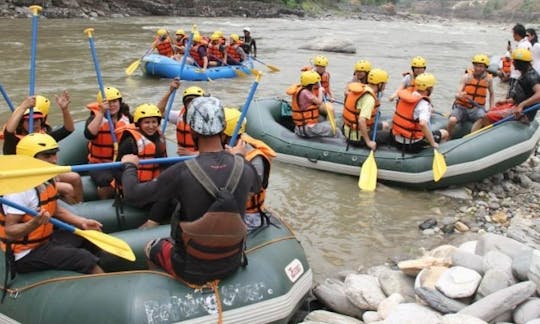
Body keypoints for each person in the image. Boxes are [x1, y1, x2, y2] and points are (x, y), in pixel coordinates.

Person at [120, 96, 261, 285]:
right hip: (232, 261)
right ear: (222, 127)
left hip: (191, 268)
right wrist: (240, 158)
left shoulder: (181, 171)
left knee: (151, 248)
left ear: (192, 129)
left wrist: (129, 167)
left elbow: (133, 194)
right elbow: (256, 188)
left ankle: (164, 289)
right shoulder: (245, 167)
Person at [0, 133, 104, 278]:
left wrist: (82, 222)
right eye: (47, 156)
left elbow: (55, 209)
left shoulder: (47, 179)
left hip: (44, 241)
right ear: (30, 160)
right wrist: (33, 224)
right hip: (24, 254)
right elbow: (10, 231)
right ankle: (102, 283)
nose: (54, 160)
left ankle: (95, 272)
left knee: (89, 238)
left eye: (54, 155)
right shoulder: (20, 191)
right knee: (82, 258)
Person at [3, 93, 83, 204]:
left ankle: (80, 205)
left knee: (75, 177)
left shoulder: (43, 137)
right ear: (22, 123)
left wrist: (64, 110)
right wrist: (23, 107)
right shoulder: (14, 141)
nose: (35, 124)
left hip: (42, 173)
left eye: (38, 120)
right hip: (23, 178)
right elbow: (9, 131)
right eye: (30, 121)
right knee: (67, 188)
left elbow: (68, 129)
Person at [116, 104, 174, 229]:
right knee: (167, 194)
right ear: (139, 124)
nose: (151, 126)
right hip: (134, 189)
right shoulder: (130, 142)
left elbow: (164, 164)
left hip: (152, 184)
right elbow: (117, 170)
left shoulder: (159, 137)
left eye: (154, 122)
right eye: (147, 122)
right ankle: (151, 223)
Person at [222, 108, 276, 230]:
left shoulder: (256, 159)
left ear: (225, 134)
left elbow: (248, 192)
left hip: (249, 216)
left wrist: (237, 160)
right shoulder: (226, 148)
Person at [84, 86, 133, 200]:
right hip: (99, 164)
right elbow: (89, 134)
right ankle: (104, 201)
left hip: (120, 163)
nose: (112, 105)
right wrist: (101, 113)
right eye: (108, 102)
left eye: (115, 101)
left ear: (120, 102)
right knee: (110, 182)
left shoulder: (127, 118)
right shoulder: (95, 118)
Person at [474, 49, 540, 130]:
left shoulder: (531, 77)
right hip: (516, 106)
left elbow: (539, 94)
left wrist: (522, 105)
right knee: (491, 110)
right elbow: (524, 95)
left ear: (520, 63)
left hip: (524, 112)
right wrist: (506, 101)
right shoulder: (524, 74)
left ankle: (484, 136)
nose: (512, 63)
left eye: (514, 61)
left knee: (486, 116)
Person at [391, 73, 449, 153]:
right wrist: (433, 143)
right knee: (445, 133)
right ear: (429, 89)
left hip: (397, 139)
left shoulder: (406, 97)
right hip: (411, 144)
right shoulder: (424, 104)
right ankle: (440, 153)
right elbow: (422, 124)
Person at [447, 54, 494, 138]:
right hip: (462, 107)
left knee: (485, 118)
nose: (478, 68)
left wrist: (491, 108)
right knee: (452, 120)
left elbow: (492, 94)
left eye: (481, 66)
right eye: (476, 65)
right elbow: (458, 92)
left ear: (485, 68)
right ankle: (448, 137)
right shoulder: (466, 77)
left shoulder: (488, 79)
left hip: (477, 108)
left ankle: (471, 137)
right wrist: (459, 95)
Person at [342, 68, 389, 150]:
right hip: (357, 137)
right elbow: (361, 120)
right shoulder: (369, 98)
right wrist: (368, 142)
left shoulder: (363, 88)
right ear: (379, 84)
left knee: (385, 125)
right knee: (390, 136)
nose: (385, 86)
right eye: (384, 84)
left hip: (349, 130)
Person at [286, 70, 341, 138]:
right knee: (336, 130)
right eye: (316, 82)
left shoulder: (302, 90)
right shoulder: (306, 93)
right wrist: (320, 91)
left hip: (303, 126)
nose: (318, 84)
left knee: (328, 122)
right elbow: (319, 102)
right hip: (307, 128)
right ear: (312, 83)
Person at [157, 80, 205, 156]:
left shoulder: (208, 121)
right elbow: (158, 111)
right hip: (182, 158)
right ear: (185, 103)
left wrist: (191, 154)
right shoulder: (180, 116)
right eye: (189, 101)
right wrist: (170, 91)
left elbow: (214, 151)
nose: (192, 104)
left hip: (200, 159)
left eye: (196, 101)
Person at [508, 24, 532, 95]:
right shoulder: (528, 44)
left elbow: (518, 60)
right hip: (522, 75)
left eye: (513, 33)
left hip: (517, 76)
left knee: (512, 96)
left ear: (516, 34)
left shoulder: (522, 45)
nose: (513, 36)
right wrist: (511, 51)